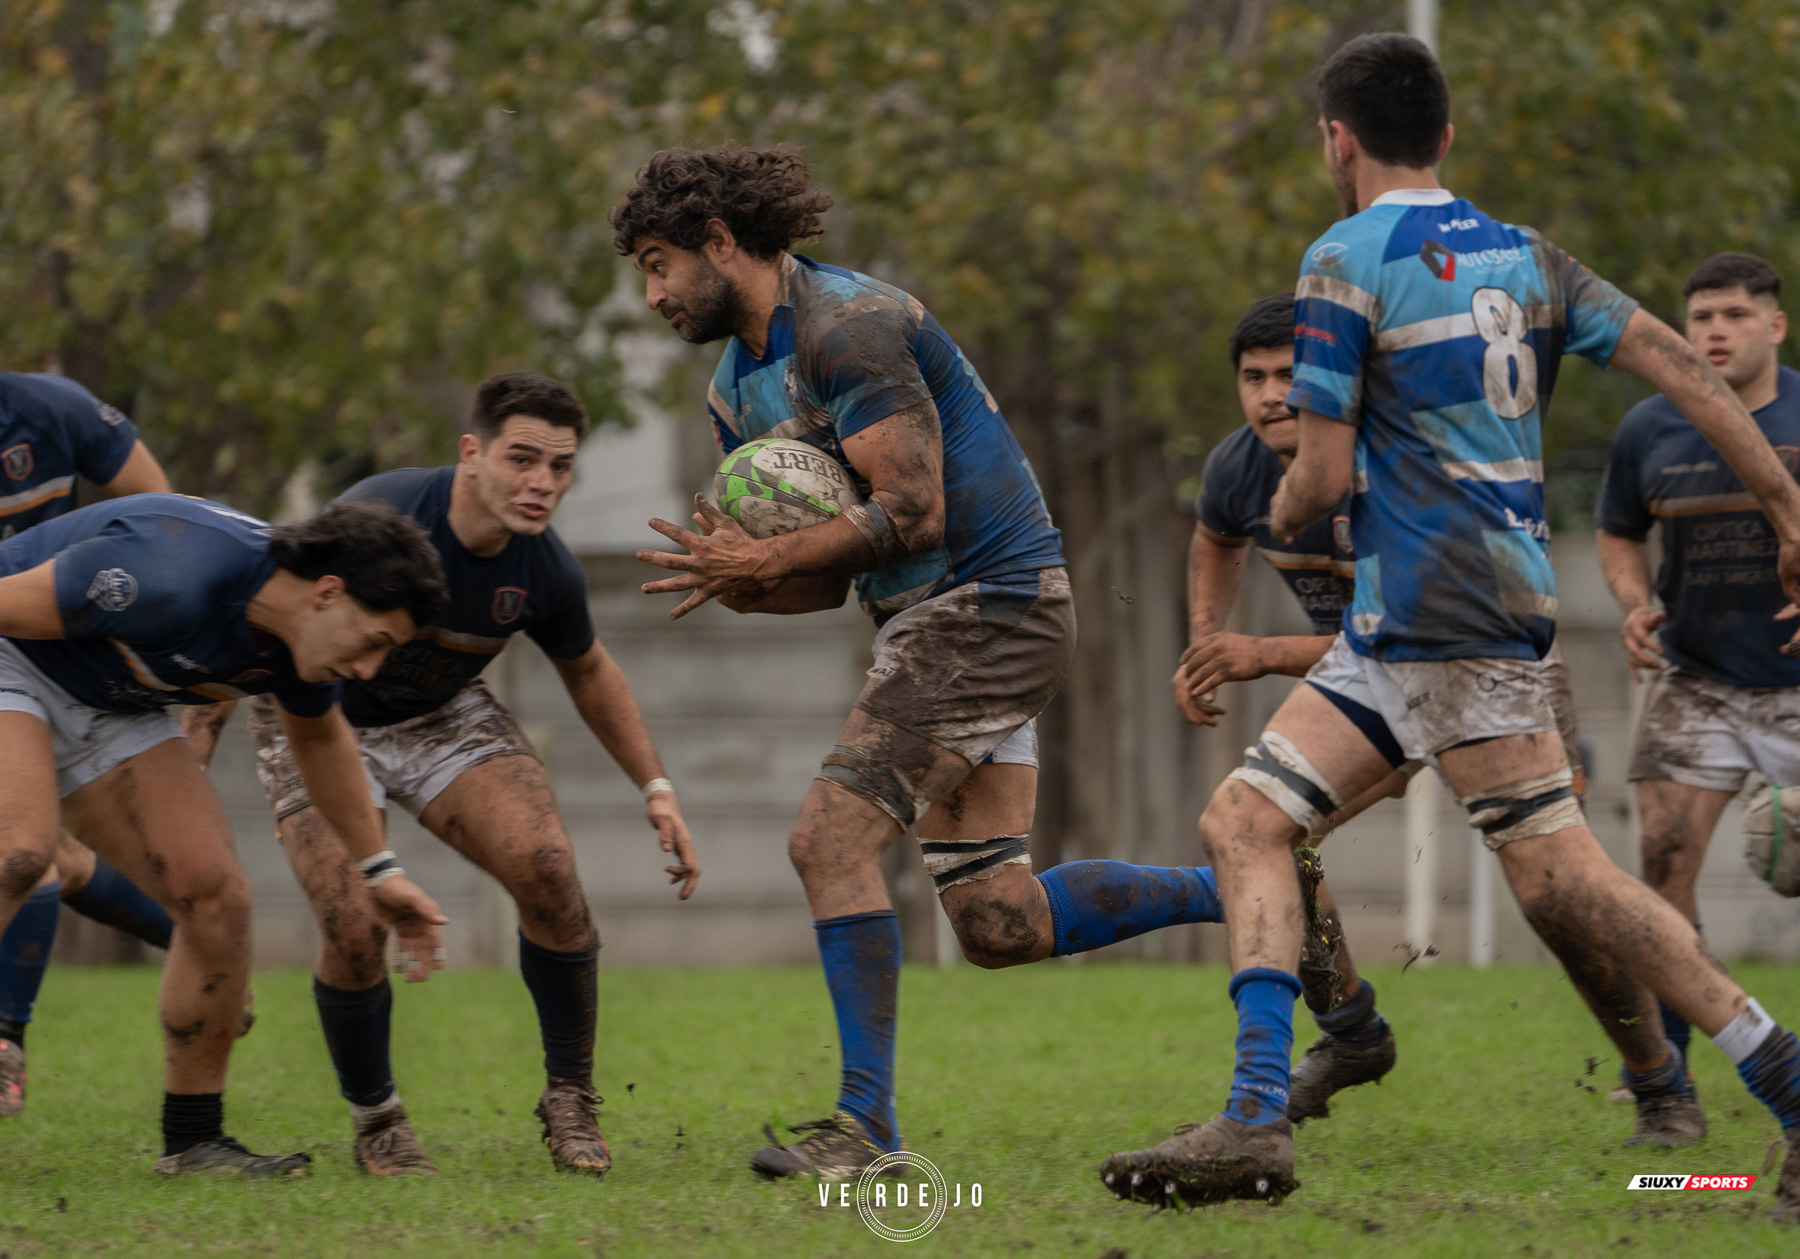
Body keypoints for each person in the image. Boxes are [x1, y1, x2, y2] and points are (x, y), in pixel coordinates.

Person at [1100, 33, 1800, 1217]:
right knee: (1251, 817)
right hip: (1444, 612)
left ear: (1339, 139)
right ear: (1449, 137)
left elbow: (1315, 478)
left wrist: (1279, 506)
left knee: (1564, 875)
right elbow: (1683, 368)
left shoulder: (1341, 258)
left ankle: (1779, 1077)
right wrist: (1785, 498)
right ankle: (1256, 1118)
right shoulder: (1528, 257)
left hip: (1439, 611)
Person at [615, 145, 1233, 1183]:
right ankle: (1252, 889)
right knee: (998, 920)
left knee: (826, 841)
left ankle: (865, 1128)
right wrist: (743, 580)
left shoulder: (851, 327)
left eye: (660, 261)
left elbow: (912, 509)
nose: (653, 293)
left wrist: (765, 553)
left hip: (990, 606)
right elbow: (824, 581)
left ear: (722, 243)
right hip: (924, 621)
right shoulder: (735, 389)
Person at [184, 372, 700, 1178]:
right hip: (321, 715)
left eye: (560, 467)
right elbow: (261, 608)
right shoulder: (376, 514)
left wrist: (657, 788)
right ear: (471, 452)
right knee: (354, 924)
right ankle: (378, 1119)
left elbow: (590, 671)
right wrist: (197, 740)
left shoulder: (543, 568)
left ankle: (570, 1094)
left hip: (439, 711)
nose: (541, 484)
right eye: (522, 459)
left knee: (550, 870)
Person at [1176, 293, 1596, 1124]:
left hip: (1484, 668)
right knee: (1271, 833)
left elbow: (1404, 625)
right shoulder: (1237, 467)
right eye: (1253, 378)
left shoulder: (1391, 461)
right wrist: (1204, 641)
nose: (1270, 396)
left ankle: (1658, 1073)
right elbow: (1215, 536)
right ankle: (1352, 1031)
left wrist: (1258, 653)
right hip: (1368, 689)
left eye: (1289, 377)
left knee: (1563, 891)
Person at [0, 493, 450, 1175]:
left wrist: (380, 870)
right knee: (20, 849)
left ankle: (192, 1141)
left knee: (216, 897)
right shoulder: (168, 572)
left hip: (108, 701)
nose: (367, 670)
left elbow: (322, 737)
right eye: (374, 642)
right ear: (328, 592)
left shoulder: (292, 642)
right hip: (13, 653)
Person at [1597, 251, 1800, 1119]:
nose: (1714, 330)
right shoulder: (1651, 426)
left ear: (1775, 325)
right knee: (1659, 867)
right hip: (1697, 679)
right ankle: (1668, 1086)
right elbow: (1616, 533)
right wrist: (1636, 601)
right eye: (1701, 316)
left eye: (1733, 315)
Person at [0, 371, 212, 1117]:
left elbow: (165, 517)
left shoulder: (49, 411)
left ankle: (5, 1046)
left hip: (44, 658)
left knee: (37, 855)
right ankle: (205, 947)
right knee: (43, 855)